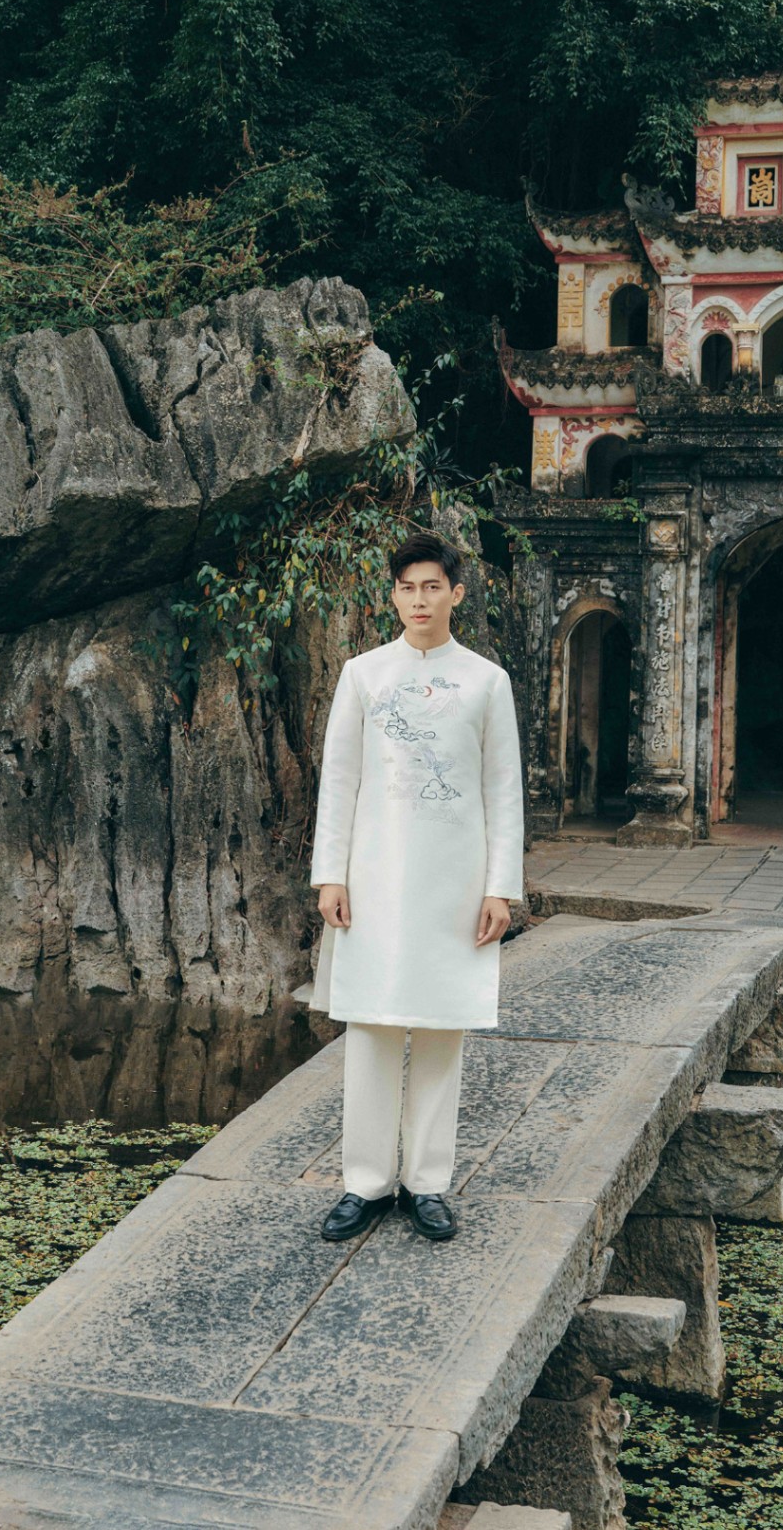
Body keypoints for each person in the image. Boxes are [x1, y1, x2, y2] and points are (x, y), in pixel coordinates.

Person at [307, 530, 525, 1243]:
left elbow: (503, 789)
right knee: (370, 1026)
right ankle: (365, 1183)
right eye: (407, 588)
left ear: (456, 593)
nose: (419, 599)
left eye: (432, 586)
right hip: (373, 876)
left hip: (455, 882)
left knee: (439, 1028)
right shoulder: (363, 674)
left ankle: (427, 1183)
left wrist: (500, 887)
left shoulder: (487, 681)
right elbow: (340, 779)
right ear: (394, 596)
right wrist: (330, 874)